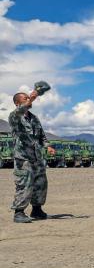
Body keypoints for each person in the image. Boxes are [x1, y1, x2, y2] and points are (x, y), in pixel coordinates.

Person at [8, 90, 55, 223]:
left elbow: (42, 136)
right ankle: (19, 212)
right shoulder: (14, 116)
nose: (29, 99)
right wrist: (32, 100)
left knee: (40, 183)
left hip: (37, 157)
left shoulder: (34, 118)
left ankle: (37, 210)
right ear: (17, 103)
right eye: (25, 98)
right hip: (23, 158)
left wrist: (48, 146)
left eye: (29, 97)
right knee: (24, 184)